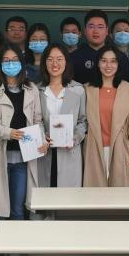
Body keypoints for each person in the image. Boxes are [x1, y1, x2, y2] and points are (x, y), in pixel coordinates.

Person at [0, 44, 47, 224]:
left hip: (22, 158)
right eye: (6, 60)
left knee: (17, 208)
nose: (11, 64)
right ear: (0, 64)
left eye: (15, 60)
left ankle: (17, 243)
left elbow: (38, 120)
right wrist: (8, 133)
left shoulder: (32, 89)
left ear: (22, 63)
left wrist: (41, 138)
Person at [82, 45, 129, 187]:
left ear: (119, 64)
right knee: (95, 193)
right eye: (104, 61)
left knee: (119, 193)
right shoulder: (86, 89)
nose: (108, 65)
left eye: (113, 61)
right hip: (93, 147)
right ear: (98, 63)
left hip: (121, 147)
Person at [36, 44, 87, 188]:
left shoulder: (78, 90)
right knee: (45, 194)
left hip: (69, 151)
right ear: (44, 62)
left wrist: (75, 137)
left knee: (67, 196)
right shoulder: (37, 90)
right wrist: (41, 135)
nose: (55, 64)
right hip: (44, 152)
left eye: (59, 59)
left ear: (66, 62)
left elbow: (83, 121)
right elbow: (35, 119)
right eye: (50, 59)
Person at [71, 9, 129, 85]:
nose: (96, 31)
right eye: (91, 27)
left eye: (100, 27)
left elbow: (128, 87)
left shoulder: (120, 57)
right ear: (85, 30)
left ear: (107, 31)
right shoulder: (74, 57)